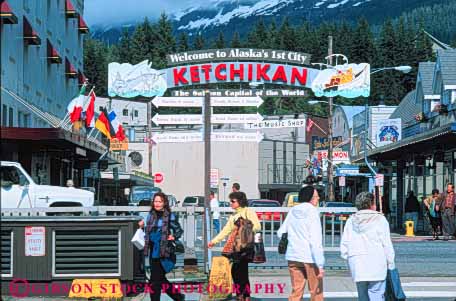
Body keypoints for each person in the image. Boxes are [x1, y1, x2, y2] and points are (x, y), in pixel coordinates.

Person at [340, 192, 395, 301]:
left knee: (362, 295)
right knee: (377, 293)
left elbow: (345, 245)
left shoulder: (351, 221)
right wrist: (391, 262)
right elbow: (386, 244)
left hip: (357, 263)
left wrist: (348, 257)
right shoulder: (380, 220)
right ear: (371, 204)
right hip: (377, 263)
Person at [207, 191, 261, 301]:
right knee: (236, 271)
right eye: (230, 201)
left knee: (242, 271)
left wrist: (244, 229)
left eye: (233, 201)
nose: (230, 203)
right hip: (235, 247)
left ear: (240, 201)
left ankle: (245, 295)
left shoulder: (248, 211)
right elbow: (226, 230)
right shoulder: (233, 215)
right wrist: (214, 241)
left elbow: (257, 226)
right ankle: (241, 294)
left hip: (245, 246)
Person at [277, 185, 325, 301]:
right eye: (316, 196)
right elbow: (315, 241)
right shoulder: (313, 212)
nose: (318, 198)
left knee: (296, 291)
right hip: (309, 258)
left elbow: (281, 232)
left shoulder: (293, 210)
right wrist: (320, 264)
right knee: (316, 292)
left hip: (293, 255)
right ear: (310, 198)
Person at [138, 192, 185, 301]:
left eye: (160, 201)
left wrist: (173, 236)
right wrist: (142, 227)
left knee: (155, 281)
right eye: (155, 201)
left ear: (164, 203)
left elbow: (178, 230)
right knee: (159, 279)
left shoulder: (169, 216)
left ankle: (176, 297)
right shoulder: (151, 215)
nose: (157, 204)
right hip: (153, 250)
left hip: (164, 251)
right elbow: (148, 233)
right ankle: (178, 296)